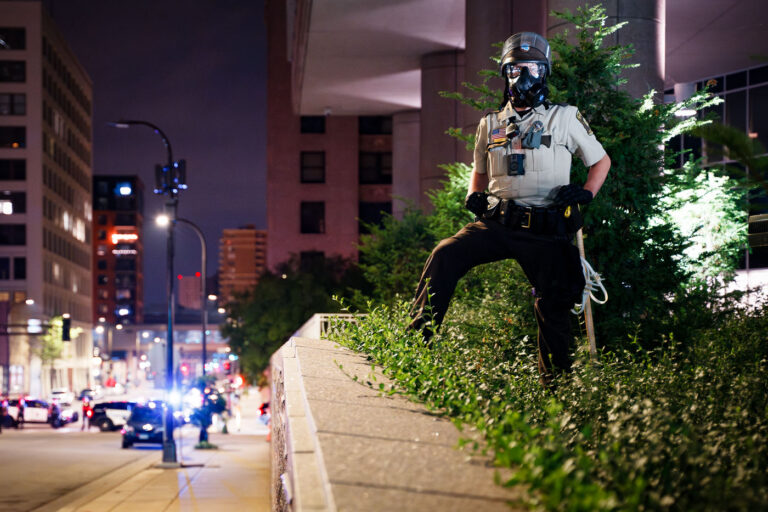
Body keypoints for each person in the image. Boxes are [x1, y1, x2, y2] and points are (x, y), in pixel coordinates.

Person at [409, 32, 611, 386]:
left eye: (532, 68)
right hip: (498, 222)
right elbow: (479, 171)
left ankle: (558, 391)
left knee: (555, 303)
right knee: (446, 253)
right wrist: (474, 198)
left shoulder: (564, 118)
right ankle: (412, 346)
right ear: (506, 74)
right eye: (515, 69)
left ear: (544, 72)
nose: (524, 77)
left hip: (546, 227)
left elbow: (601, 161)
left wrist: (585, 194)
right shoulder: (490, 123)